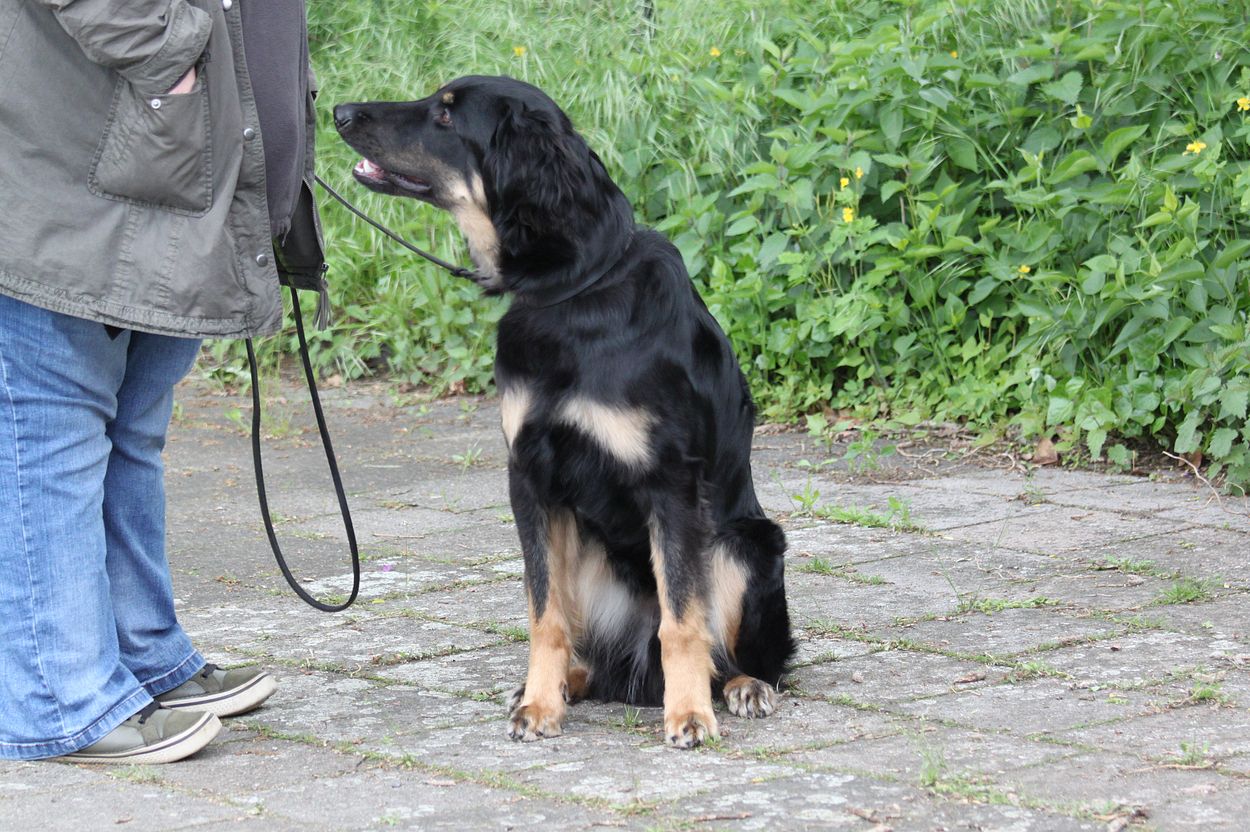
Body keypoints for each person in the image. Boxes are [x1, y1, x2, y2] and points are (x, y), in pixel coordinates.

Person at [0, 0, 326, 763]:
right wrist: (174, 55)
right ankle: (57, 697)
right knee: (48, 431)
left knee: (133, 426)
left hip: (168, 162)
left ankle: (141, 656)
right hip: (76, 154)